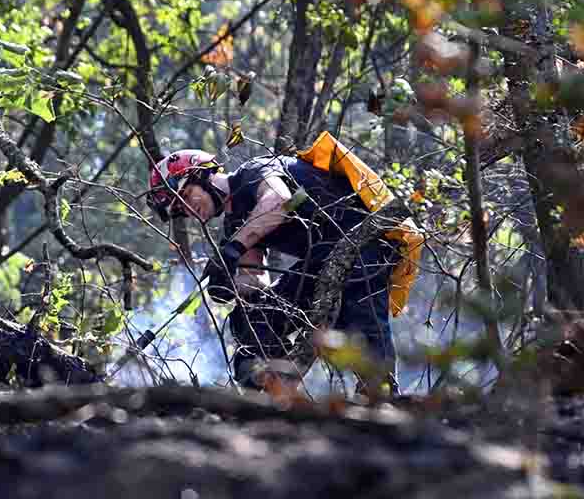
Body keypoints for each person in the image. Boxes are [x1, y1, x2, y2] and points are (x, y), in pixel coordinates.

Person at [146, 147, 403, 394]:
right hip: (322, 261)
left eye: (187, 196)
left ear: (202, 174)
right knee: (254, 318)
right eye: (180, 210)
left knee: (361, 320)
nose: (189, 209)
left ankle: (383, 398)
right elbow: (255, 280)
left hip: (365, 242)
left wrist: (234, 248)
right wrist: (228, 284)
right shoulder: (235, 225)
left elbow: (279, 199)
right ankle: (266, 399)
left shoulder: (255, 172)